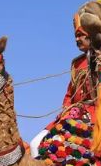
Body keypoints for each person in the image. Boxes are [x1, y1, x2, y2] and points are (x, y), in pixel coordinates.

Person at [30, 13, 93, 156]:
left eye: (80, 35)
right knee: (35, 144)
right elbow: (70, 94)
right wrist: (67, 109)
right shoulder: (77, 63)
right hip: (72, 113)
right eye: (75, 36)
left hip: (95, 115)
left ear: (91, 36)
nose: (77, 39)